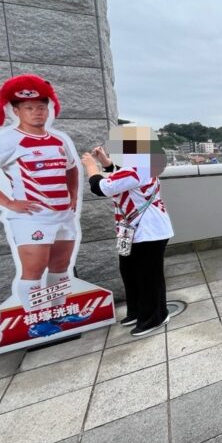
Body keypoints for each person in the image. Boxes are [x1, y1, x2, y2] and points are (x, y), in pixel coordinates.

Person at [0, 75, 78, 312]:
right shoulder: (6, 140)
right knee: (34, 270)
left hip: (63, 215)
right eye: (29, 108)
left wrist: (73, 194)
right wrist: (9, 202)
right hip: (33, 217)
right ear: (16, 111)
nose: (37, 112)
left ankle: (58, 312)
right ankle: (37, 318)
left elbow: (71, 168)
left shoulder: (59, 140)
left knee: (60, 266)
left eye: (42, 108)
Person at [82, 126, 173, 336]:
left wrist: (91, 167)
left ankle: (155, 317)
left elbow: (101, 187)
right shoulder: (138, 167)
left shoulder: (138, 168)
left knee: (148, 276)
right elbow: (120, 176)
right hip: (130, 230)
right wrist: (105, 162)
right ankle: (138, 311)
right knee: (130, 272)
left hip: (148, 231)